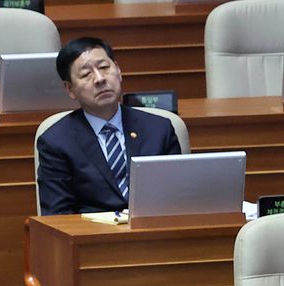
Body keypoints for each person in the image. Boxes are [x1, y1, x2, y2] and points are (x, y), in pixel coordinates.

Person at [36, 37, 181, 215]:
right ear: (70, 89)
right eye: (85, 74)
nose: (99, 79)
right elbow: (58, 215)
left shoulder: (159, 129)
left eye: (104, 68)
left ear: (118, 71)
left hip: (155, 234)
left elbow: (179, 198)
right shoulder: (56, 142)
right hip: (93, 238)